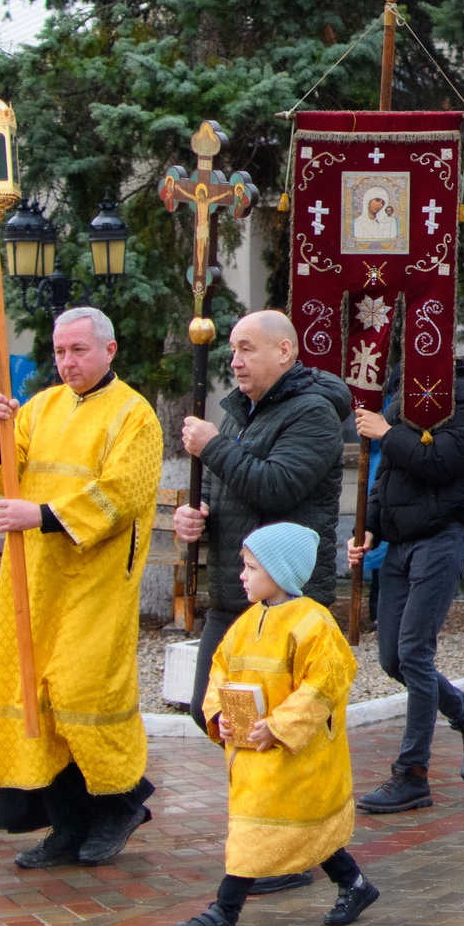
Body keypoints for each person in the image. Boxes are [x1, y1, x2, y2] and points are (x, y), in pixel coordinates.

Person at [0, 307, 163, 870]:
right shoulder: (39, 407)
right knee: (33, 694)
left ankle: (121, 805)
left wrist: (41, 514)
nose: (67, 362)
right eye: (59, 351)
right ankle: (66, 825)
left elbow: (122, 494)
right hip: (36, 575)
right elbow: (1, 473)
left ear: (109, 350)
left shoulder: (134, 414)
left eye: (78, 350)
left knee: (82, 691)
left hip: (96, 578)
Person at [175, 524, 377, 926]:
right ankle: (354, 883)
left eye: (251, 567)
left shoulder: (314, 623)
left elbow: (327, 683)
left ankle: (224, 914)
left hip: (295, 754)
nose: (242, 576)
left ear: (279, 571)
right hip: (253, 750)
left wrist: (280, 726)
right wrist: (219, 716)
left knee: (255, 828)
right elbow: (220, 671)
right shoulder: (246, 622)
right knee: (298, 828)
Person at [173, 310, 349, 759]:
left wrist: (213, 446)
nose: (235, 361)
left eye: (246, 349)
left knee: (279, 719)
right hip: (235, 593)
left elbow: (276, 486)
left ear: (284, 351)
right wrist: (197, 514)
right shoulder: (239, 413)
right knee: (214, 710)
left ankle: (286, 796)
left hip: (288, 601)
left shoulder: (314, 413)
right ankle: (258, 788)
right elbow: (223, 487)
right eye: (232, 350)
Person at [342, 351, 464, 814]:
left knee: (414, 651)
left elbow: (443, 461)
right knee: (393, 658)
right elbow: (387, 475)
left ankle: (411, 773)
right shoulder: (403, 390)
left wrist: (387, 432)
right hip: (399, 542)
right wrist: (369, 527)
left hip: (442, 537)